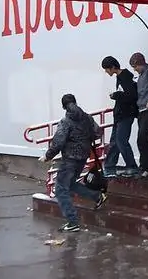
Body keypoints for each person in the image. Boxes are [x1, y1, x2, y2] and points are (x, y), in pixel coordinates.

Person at [38, 94, 108, 232]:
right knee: (69, 184)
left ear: (64, 106)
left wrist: (48, 156)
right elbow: (97, 132)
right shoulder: (87, 118)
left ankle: (72, 221)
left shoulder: (66, 121)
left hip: (69, 158)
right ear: (75, 102)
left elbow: (58, 142)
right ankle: (98, 196)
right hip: (82, 157)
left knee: (60, 189)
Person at [101, 56, 140, 178]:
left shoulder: (126, 77)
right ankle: (109, 167)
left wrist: (116, 95)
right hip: (119, 114)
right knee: (114, 141)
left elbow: (131, 96)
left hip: (125, 115)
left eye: (107, 69)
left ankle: (132, 166)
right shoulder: (121, 77)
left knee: (121, 141)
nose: (106, 72)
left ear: (113, 67)